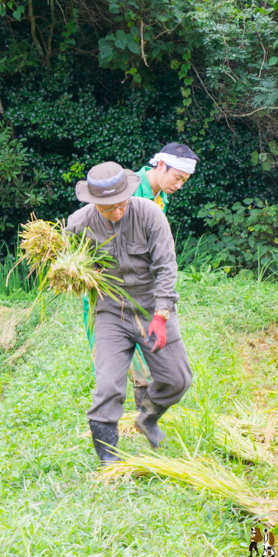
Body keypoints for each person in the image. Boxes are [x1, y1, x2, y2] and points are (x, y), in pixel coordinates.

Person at [68, 161, 193, 465]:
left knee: (178, 379)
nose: (117, 211)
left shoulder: (150, 214)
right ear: (94, 201)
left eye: (120, 203)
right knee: (107, 386)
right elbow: (70, 265)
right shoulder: (78, 224)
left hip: (151, 307)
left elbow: (166, 267)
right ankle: (109, 460)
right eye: (108, 207)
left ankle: (148, 416)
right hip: (111, 311)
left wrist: (162, 315)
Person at [82, 144, 199, 411]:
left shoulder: (160, 198)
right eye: (177, 177)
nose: (179, 185)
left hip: (140, 290)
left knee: (148, 352)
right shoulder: (128, 192)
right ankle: (119, 418)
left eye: (184, 181)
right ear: (160, 166)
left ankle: (142, 417)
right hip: (111, 292)